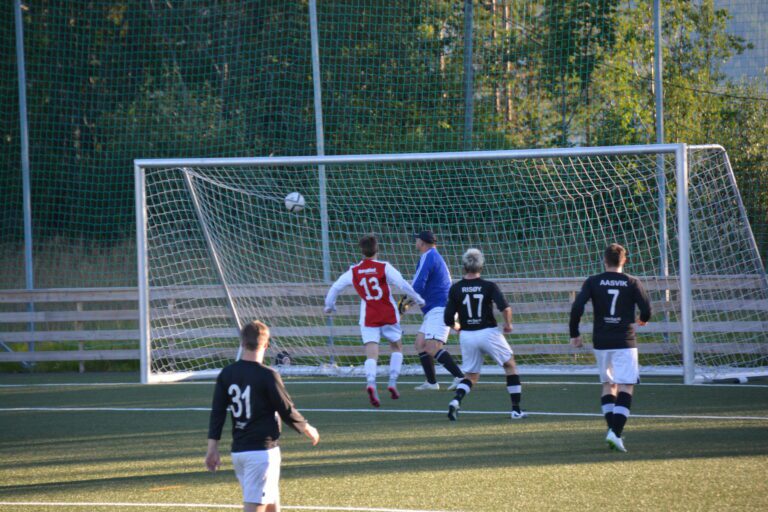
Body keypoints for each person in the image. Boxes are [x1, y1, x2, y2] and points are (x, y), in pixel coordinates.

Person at [206, 320, 320, 512]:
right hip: (261, 452)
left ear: (242, 343)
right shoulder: (267, 375)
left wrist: (212, 448)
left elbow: (217, 412)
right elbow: (286, 409)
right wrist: (307, 428)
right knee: (256, 506)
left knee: (271, 505)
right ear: (266, 345)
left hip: (239, 452)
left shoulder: (227, 373)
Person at [324, 234, 425, 406]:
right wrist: (418, 298)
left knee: (372, 352)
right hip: (388, 314)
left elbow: (336, 287)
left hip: (369, 316)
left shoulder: (354, 271)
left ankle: (371, 383)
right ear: (376, 249)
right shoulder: (384, 267)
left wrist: (329, 305)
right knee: (397, 347)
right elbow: (402, 284)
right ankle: (392, 382)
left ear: (361, 251)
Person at [569, 243, 652, 453]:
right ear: (624, 260)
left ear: (604, 260)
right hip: (624, 341)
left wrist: (574, 333)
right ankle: (615, 432)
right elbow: (646, 309)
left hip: (601, 341)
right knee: (626, 385)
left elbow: (577, 306)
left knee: (608, 384)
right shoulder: (632, 282)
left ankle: (612, 431)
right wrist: (643, 319)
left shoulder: (593, 281)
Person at [443, 248, 527, 421]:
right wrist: (508, 324)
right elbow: (505, 308)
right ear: (481, 266)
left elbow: (447, 318)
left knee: (471, 376)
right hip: (488, 332)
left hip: (467, 335)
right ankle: (516, 410)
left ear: (464, 266)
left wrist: (458, 328)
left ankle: (456, 401)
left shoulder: (456, 288)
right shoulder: (489, 286)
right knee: (510, 366)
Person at [406, 230, 465, 391]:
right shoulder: (433, 255)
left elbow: (418, 284)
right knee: (420, 344)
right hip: (435, 309)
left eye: (416, 239)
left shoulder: (428, 256)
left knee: (432, 347)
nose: (415, 242)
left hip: (440, 308)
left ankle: (460, 377)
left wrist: (406, 302)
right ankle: (431, 383)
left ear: (422, 242)